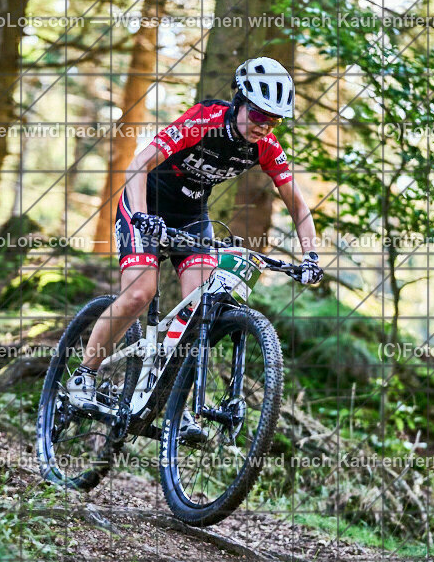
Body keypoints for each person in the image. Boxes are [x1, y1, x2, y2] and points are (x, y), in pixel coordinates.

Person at [68, 57, 323, 440]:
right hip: (146, 205)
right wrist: (140, 218)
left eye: (273, 120)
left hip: (191, 218)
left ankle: (175, 403)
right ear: (240, 101)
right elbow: (137, 167)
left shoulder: (265, 147)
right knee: (140, 292)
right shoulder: (203, 120)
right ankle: (84, 375)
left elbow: (298, 206)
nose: (262, 125)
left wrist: (311, 257)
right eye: (257, 114)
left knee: (200, 307)